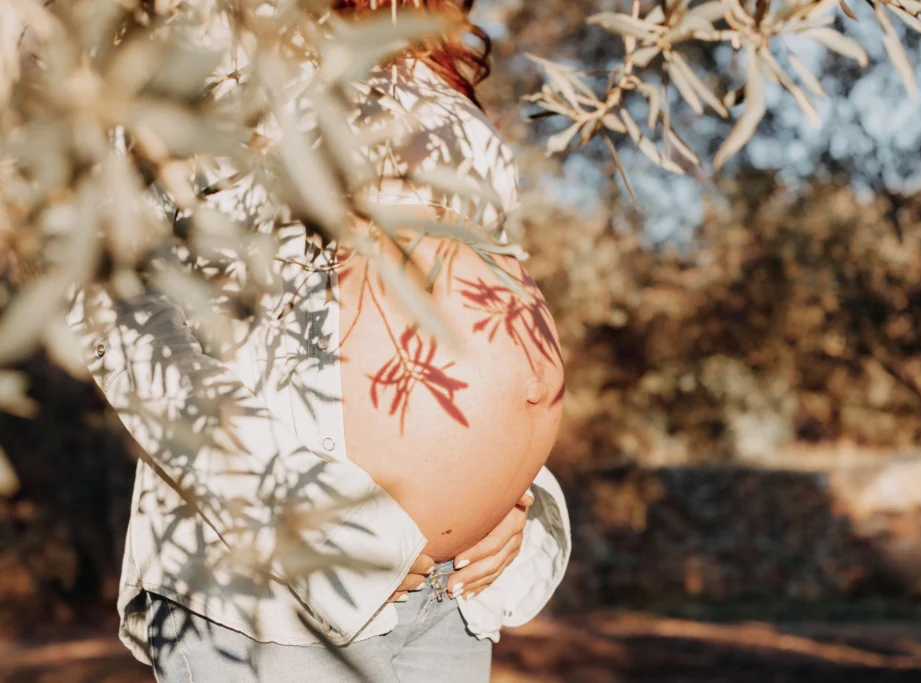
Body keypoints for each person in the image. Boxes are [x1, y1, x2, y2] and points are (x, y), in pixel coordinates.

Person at [66, 0, 571, 681]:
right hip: (280, 588)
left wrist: (509, 492)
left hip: (454, 590)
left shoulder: (430, 62)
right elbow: (112, 297)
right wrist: (292, 515)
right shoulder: (205, 25)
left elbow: (483, 298)